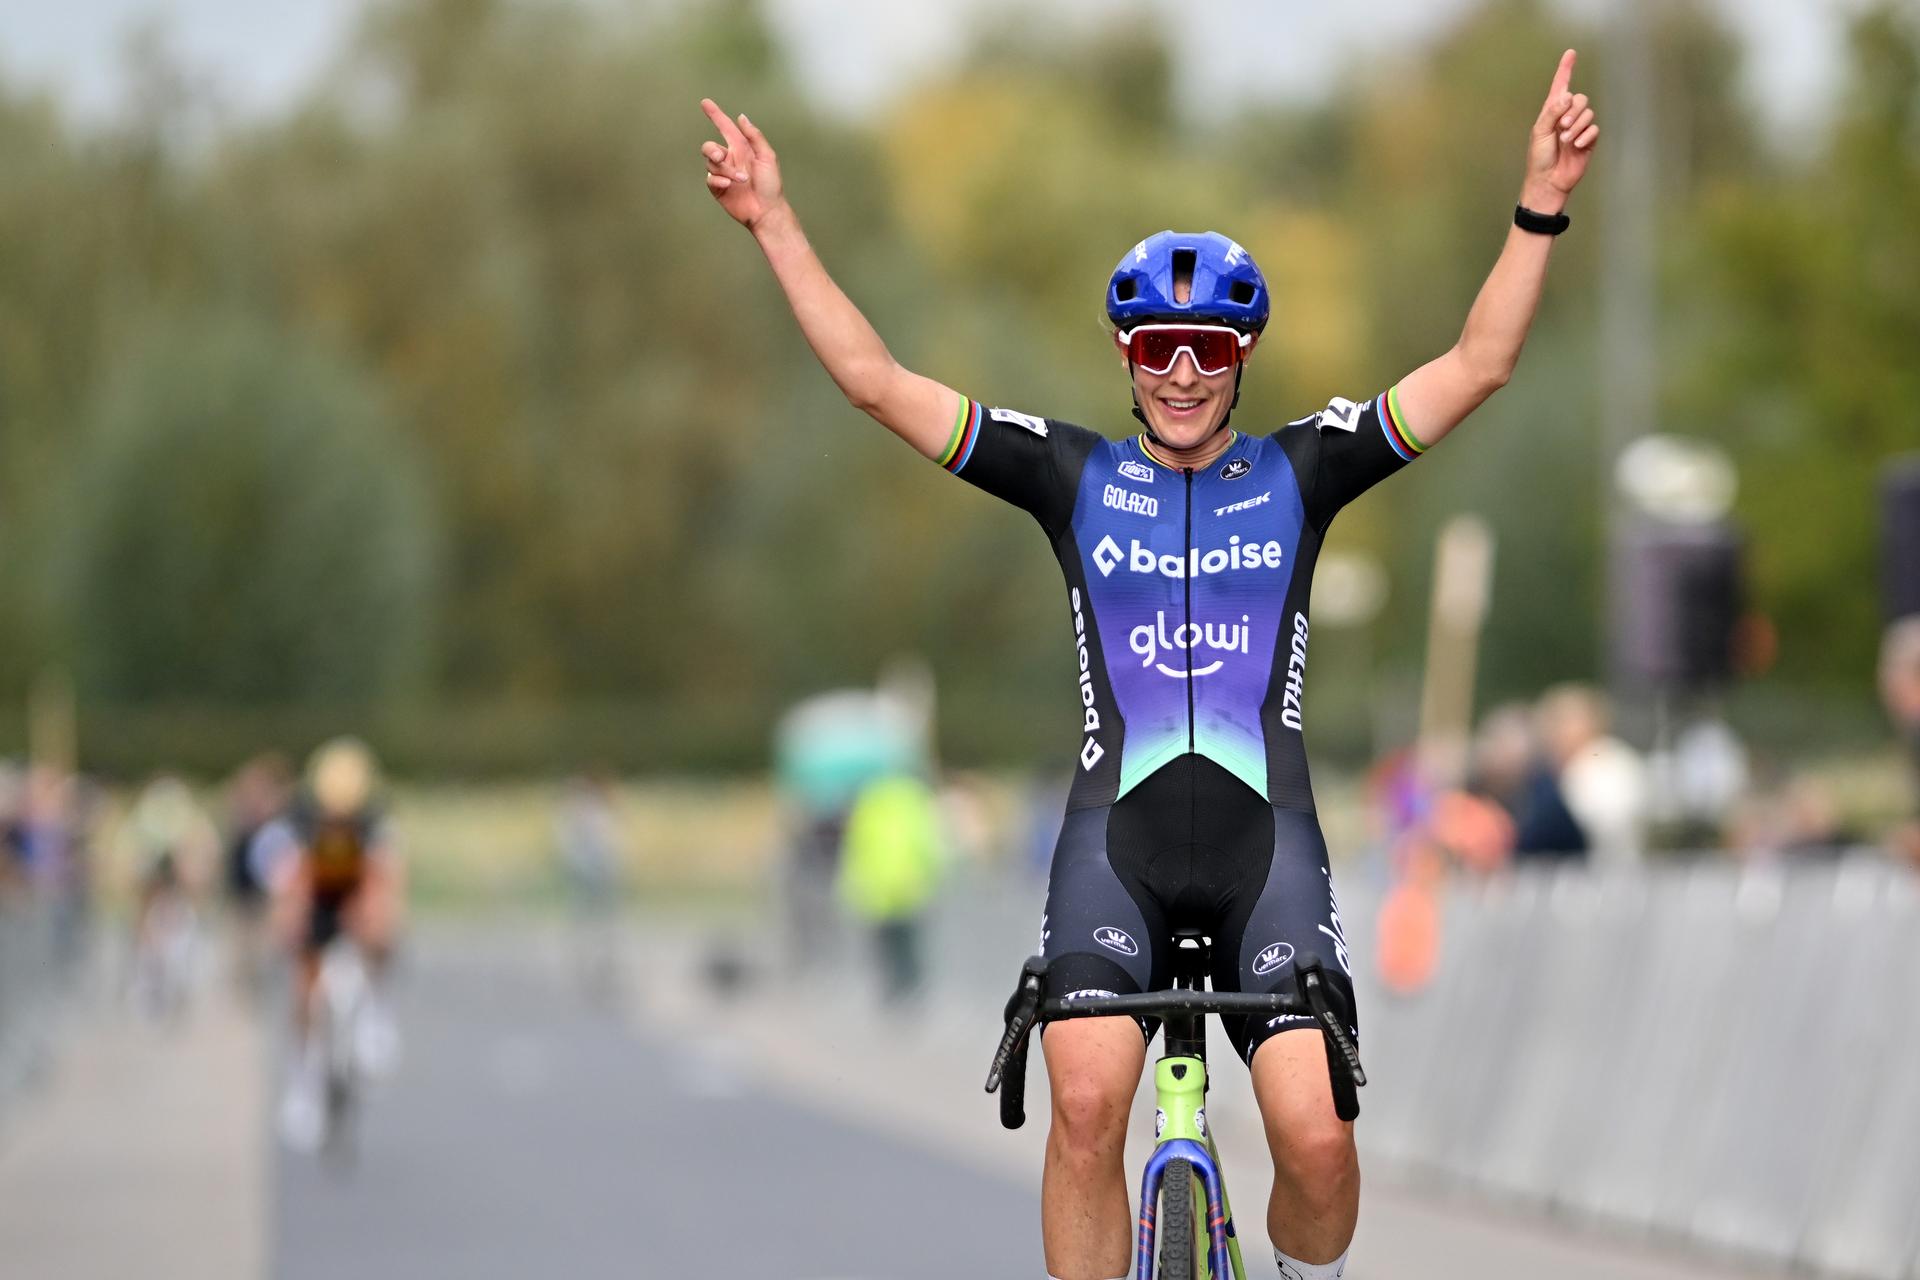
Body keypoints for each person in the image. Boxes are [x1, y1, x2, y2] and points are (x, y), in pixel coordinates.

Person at [700, 47, 1598, 1280]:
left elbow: (1478, 364)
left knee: (1320, 1145)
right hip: (1110, 846)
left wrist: (1539, 201)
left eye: (1212, 351)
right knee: (1081, 1111)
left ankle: (1298, 1268)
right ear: (1127, 355)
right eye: (1162, 346)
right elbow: (875, 383)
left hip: (1263, 849)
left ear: (1243, 360)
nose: (1185, 372)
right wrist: (777, 222)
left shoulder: (1305, 467)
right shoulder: (1069, 475)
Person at [261, 737, 405, 1150]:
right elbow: (287, 882)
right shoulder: (297, 823)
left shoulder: (377, 822)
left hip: (358, 894)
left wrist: (378, 918)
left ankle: (377, 1014)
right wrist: (288, 920)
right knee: (304, 987)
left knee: (381, 939)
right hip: (316, 901)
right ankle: (302, 1081)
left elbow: (388, 878)